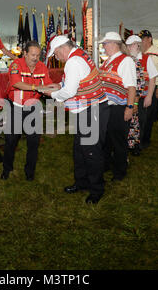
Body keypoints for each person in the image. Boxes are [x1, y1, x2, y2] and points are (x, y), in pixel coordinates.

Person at [43, 36, 109, 204]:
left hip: (90, 110)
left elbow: (70, 91)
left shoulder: (73, 62)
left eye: (56, 54)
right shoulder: (80, 55)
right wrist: (59, 85)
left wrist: (53, 94)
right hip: (88, 109)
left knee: (91, 152)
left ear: (62, 49)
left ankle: (97, 189)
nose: (57, 58)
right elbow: (75, 82)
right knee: (79, 149)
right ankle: (81, 182)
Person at [1, 41, 54, 181]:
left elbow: (48, 85)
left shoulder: (42, 67)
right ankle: (7, 169)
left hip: (34, 109)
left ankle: (30, 173)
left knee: (33, 143)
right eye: (32, 55)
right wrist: (36, 88)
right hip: (16, 108)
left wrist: (57, 89)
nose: (35, 58)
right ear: (25, 53)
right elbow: (16, 83)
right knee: (11, 141)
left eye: (38, 55)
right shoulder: (16, 64)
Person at [98, 32, 136, 178]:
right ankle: (106, 165)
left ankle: (120, 171)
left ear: (113, 44)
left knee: (118, 140)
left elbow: (131, 86)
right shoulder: (108, 61)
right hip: (107, 108)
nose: (103, 46)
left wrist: (130, 107)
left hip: (118, 108)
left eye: (105, 44)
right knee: (106, 139)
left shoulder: (125, 61)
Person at [125, 35, 158, 155]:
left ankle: (138, 145)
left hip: (143, 96)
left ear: (137, 46)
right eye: (127, 46)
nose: (128, 48)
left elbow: (153, 78)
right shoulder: (127, 58)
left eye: (130, 45)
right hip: (129, 97)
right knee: (131, 121)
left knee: (141, 121)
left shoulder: (146, 58)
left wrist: (149, 96)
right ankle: (129, 143)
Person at [138, 30, 158, 148]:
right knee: (139, 115)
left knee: (147, 116)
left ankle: (144, 140)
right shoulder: (138, 52)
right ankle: (138, 139)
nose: (140, 41)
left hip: (153, 86)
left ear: (149, 39)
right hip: (139, 87)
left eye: (142, 39)